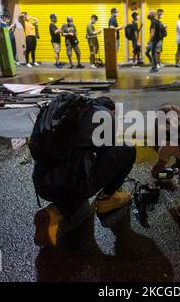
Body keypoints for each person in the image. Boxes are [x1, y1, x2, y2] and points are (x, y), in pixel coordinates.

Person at [32, 96, 136, 247]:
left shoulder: (63, 109)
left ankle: (53, 213)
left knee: (75, 175)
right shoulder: (105, 117)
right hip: (70, 185)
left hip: (42, 185)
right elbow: (107, 157)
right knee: (127, 149)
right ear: (111, 110)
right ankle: (108, 198)